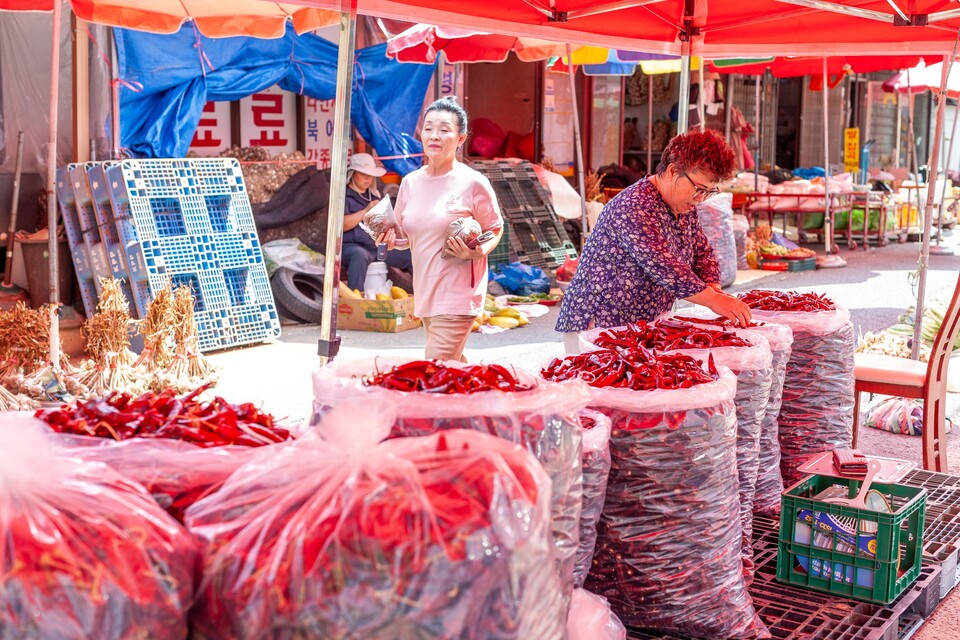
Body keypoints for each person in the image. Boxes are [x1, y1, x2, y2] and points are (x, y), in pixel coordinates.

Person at [555, 128, 752, 352]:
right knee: (596, 383)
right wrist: (714, 301)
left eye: (709, 192)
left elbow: (701, 251)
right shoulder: (635, 205)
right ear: (672, 170)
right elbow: (664, 266)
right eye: (699, 189)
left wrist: (714, 288)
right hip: (598, 322)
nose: (701, 199)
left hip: (640, 324)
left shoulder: (683, 206)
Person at [379, 97, 504, 362]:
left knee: (434, 368)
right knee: (452, 369)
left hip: (458, 293)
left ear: (460, 138)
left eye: (444, 129)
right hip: (425, 291)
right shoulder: (410, 182)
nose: (434, 135)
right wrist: (389, 237)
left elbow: (495, 228)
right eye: (428, 128)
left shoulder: (472, 182)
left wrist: (479, 250)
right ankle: (484, 399)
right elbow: (405, 236)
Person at [341, 153, 412, 292]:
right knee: (359, 255)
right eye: (363, 174)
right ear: (352, 173)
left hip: (376, 246)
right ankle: (356, 301)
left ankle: (419, 297)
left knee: (409, 256)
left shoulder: (374, 195)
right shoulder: (343, 195)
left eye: (370, 175)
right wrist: (366, 211)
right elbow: (341, 225)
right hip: (351, 246)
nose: (368, 179)